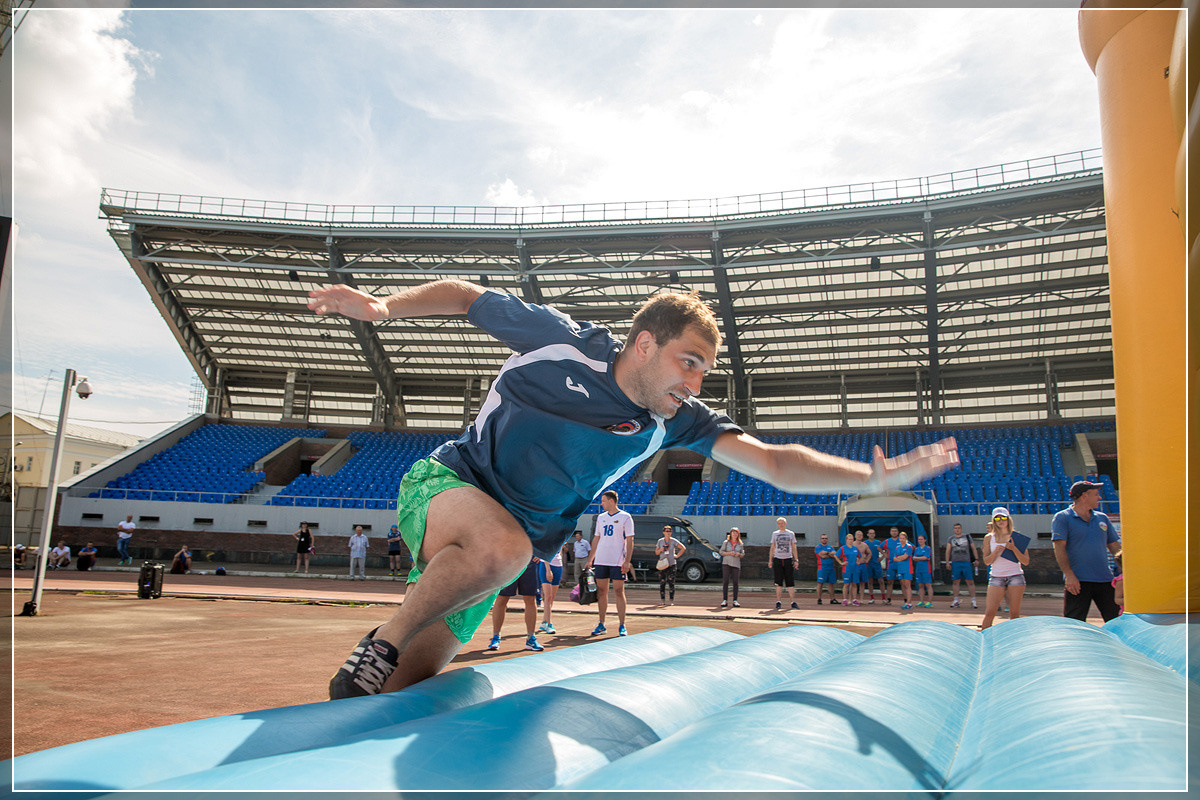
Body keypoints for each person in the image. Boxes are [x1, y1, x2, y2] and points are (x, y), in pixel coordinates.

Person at [309, 279, 959, 698]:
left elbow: (775, 463)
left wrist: (874, 479)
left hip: (494, 554)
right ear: (644, 344)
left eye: (707, 370)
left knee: (391, 694)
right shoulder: (563, 344)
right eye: (690, 363)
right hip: (446, 487)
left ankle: (382, 665)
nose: (698, 383)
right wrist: (382, 308)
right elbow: (464, 296)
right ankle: (384, 639)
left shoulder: (679, 420)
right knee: (503, 554)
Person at [1051, 480, 1121, 622]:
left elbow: (1115, 547)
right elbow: (1059, 548)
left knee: (1116, 620)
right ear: (1084, 496)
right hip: (1078, 581)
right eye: (1096, 494)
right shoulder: (1062, 517)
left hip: (1105, 579)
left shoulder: (1102, 518)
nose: (1099, 498)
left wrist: (1128, 569)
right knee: (1074, 623)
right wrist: (1069, 576)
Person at [586, 490, 635, 636]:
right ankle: (601, 623)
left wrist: (627, 561)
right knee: (601, 592)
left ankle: (622, 625)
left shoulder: (625, 517)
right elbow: (596, 538)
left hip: (618, 560)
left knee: (619, 591)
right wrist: (590, 559)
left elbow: (630, 540)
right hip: (601, 560)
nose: (601, 503)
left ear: (611, 501)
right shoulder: (601, 518)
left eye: (603, 500)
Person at [980, 507, 1029, 628]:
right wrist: (995, 552)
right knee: (990, 612)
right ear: (994, 521)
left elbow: (1026, 561)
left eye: (1003, 518)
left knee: (1014, 613)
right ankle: (984, 638)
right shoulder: (988, 538)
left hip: (1015, 576)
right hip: (996, 576)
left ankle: (1014, 639)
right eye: (997, 518)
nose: (1001, 521)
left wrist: (1013, 548)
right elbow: (986, 561)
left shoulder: (1016, 537)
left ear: (1008, 519)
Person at [487, 557, 544, 652]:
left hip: (529, 560)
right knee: (502, 598)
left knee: (530, 598)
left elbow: (543, 541)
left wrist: (541, 552)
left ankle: (531, 639)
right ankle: (496, 637)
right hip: (508, 561)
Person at [943, 522, 978, 609]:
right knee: (955, 582)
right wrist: (947, 562)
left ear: (961, 529)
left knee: (970, 582)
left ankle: (973, 600)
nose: (957, 529)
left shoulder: (967, 537)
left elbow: (973, 548)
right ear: (953, 529)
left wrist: (976, 559)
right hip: (955, 563)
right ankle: (956, 600)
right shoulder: (951, 538)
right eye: (955, 528)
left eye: (958, 528)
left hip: (966, 562)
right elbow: (948, 550)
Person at [769, 517, 800, 611]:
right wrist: (770, 560)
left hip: (788, 559)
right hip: (778, 559)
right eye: (779, 523)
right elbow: (772, 547)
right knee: (778, 583)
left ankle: (793, 602)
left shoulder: (790, 533)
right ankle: (778, 602)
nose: (781, 524)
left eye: (782, 523)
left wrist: (796, 560)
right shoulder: (775, 534)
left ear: (785, 523)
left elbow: (794, 547)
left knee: (790, 582)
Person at [537, 543, 566, 634]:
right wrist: (548, 570)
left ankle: (544, 622)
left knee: (551, 597)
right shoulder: (549, 534)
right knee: (548, 596)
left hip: (558, 566)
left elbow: (560, 550)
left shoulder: (562, 535)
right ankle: (549, 624)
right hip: (546, 566)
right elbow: (545, 552)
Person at [656, 524, 687, 605]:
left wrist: (677, 556)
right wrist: (661, 549)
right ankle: (662, 600)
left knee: (671, 583)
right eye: (667, 531)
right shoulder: (660, 541)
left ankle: (671, 600)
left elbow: (683, 548)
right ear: (663, 532)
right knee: (662, 583)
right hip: (663, 564)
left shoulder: (673, 541)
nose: (668, 532)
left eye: (670, 531)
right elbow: (656, 552)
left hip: (671, 564)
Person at [720, 527, 745, 608]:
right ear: (730, 534)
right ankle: (725, 600)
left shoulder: (740, 543)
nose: (734, 534)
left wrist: (739, 554)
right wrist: (729, 553)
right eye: (733, 533)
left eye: (736, 533)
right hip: (726, 563)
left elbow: (742, 554)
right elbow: (721, 552)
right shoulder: (726, 543)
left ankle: (735, 600)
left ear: (738, 534)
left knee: (735, 582)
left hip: (736, 564)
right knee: (726, 581)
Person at [891, 531, 914, 609]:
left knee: (907, 585)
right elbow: (894, 558)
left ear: (906, 539)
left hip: (907, 568)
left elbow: (906, 556)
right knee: (903, 584)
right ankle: (906, 601)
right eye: (900, 538)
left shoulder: (909, 546)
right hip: (900, 568)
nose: (902, 540)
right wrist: (899, 558)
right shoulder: (897, 547)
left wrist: (899, 558)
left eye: (903, 538)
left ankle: (909, 603)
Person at [814, 533, 839, 605]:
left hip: (831, 567)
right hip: (822, 567)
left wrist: (827, 553)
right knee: (820, 583)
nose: (824, 539)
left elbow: (835, 554)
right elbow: (822, 556)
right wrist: (830, 554)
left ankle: (832, 599)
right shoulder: (818, 547)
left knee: (831, 583)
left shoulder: (830, 547)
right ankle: (819, 599)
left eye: (825, 538)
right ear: (820, 539)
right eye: (823, 538)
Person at [882, 526, 904, 605]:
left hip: (901, 565)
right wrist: (884, 554)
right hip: (891, 565)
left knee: (903, 582)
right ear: (890, 532)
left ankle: (906, 600)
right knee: (890, 582)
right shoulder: (887, 541)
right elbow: (879, 547)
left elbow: (912, 546)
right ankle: (888, 599)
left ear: (898, 532)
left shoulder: (902, 540)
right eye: (892, 531)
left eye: (895, 531)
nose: (894, 532)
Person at [838, 533, 860, 606]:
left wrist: (858, 561)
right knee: (846, 584)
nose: (851, 541)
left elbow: (860, 556)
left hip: (855, 568)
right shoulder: (843, 548)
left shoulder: (855, 548)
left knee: (854, 584)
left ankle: (854, 599)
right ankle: (844, 599)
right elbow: (836, 556)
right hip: (847, 568)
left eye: (852, 539)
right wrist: (841, 563)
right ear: (846, 540)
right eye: (849, 539)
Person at [863, 528, 883, 603]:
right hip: (869, 564)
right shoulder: (865, 543)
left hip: (877, 564)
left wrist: (882, 557)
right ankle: (872, 598)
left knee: (881, 580)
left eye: (873, 533)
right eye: (870, 533)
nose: (872, 535)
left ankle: (883, 598)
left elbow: (885, 550)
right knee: (870, 581)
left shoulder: (878, 542)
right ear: (867, 534)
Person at [912, 534, 933, 607]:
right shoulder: (917, 549)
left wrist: (918, 558)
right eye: (919, 539)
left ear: (925, 540)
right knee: (920, 585)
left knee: (928, 585)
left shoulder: (927, 548)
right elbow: (914, 558)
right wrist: (921, 557)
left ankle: (929, 602)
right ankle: (921, 601)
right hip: (918, 569)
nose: (920, 541)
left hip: (926, 569)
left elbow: (926, 557)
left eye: (921, 539)